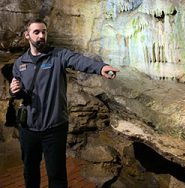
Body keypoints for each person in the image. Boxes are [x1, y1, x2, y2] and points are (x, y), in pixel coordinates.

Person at [9, 17, 119, 188]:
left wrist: (100, 68)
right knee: (30, 172)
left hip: (54, 128)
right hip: (28, 128)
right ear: (27, 36)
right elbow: (19, 92)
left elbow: (79, 61)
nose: (41, 36)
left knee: (57, 175)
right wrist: (14, 91)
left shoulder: (58, 56)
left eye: (43, 32)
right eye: (36, 32)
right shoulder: (20, 63)